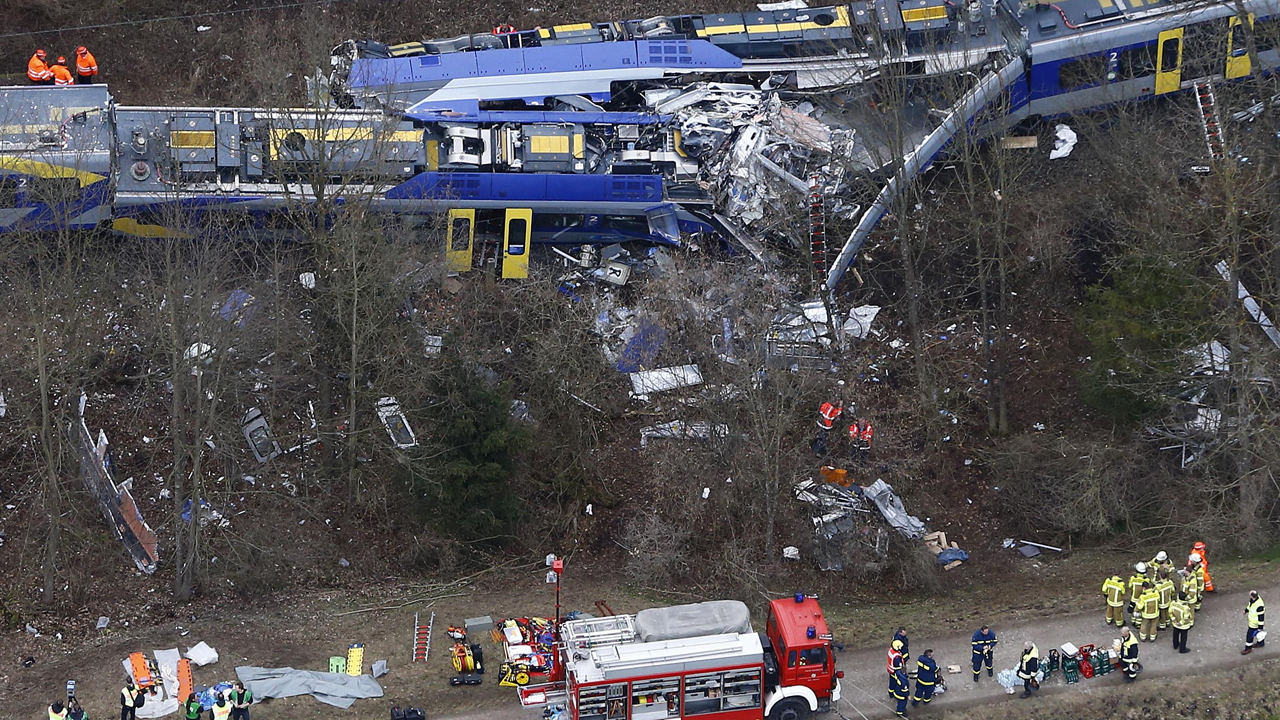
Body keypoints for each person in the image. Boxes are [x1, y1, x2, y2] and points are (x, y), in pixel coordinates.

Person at [1242, 590, 1266, 655]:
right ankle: (1261, 643)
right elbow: (1250, 606)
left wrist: (1260, 627)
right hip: (1253, 622)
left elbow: (1261, 617)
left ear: (1252, 596)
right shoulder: (1253, 600)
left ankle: (1248, 648)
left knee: (1249, 635)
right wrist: (1246, 610)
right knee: (1258, 633)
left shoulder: (1259, 606)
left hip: (1254, 624)